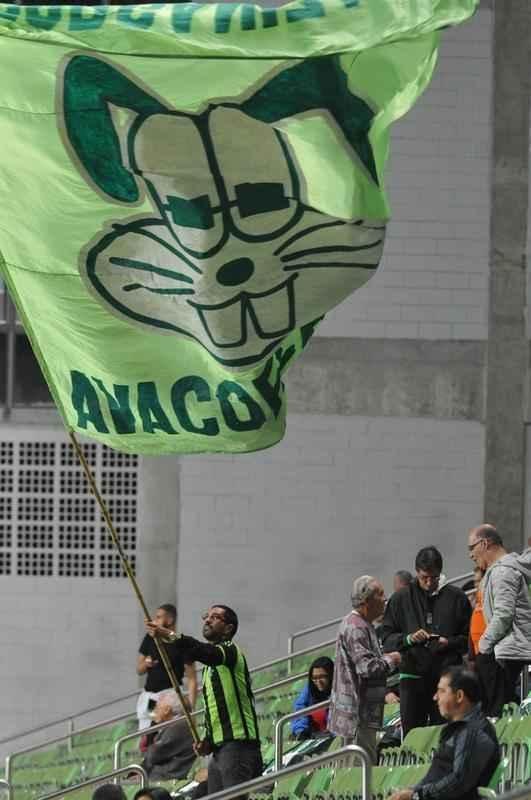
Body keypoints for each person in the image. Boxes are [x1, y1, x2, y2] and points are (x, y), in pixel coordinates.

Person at [146, 604, 262, 795]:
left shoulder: (229, 651)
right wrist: (208, 741)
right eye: (206, 616)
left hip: (237, 747)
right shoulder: (209, 668)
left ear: (228, 628)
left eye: (215, 617)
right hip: (219, 750)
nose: (207, 620)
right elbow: (217, 710)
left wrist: (169, 634)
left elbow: (203, 651)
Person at [380, 546, 471, 736]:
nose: (429, 583)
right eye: (424, 578)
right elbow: (386, 638)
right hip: (412, 678)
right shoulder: (400, 599)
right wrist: (408, 639)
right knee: (412, 737)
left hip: (445, 680)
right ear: (416, 572)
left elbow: (468, 639)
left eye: (434, 578)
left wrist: (449, 643)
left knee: (446, 735)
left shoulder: (457, 598)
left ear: (441, 572)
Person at [389, 666, 500, 800]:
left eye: (442, 691)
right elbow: (436, 776)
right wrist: (412, 792)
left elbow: (458, 782)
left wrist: (417, 795)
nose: (435, 697)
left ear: (459, 696)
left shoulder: (474, 732)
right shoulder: (458, 730)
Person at [328, 575, 401, 764]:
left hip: (362, 714)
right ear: (366, 601)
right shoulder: (356, 627)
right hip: (358, 716)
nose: (385, 598)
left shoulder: (362, 624)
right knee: (359, 770)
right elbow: (367, 668)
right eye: (380, 594)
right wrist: (392, 659)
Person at [468, 524, 531, 715]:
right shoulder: (500, 571)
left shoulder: (503, 572)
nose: (470, 555)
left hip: (508, 654)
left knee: (498, 714)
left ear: (485, 543)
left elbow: (503, 615)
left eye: (471, 548)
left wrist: (484, 646)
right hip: (506, 651)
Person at [137, 603, 198, 730]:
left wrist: (191, 709)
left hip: (170, 695)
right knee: (148, 731)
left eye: (159, 617)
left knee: (165, 730)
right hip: (151, 695)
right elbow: (139, 670)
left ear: (170, 620)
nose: (155, 620)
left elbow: (192, 679)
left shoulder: (181, 643)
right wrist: (146, 664)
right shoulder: (150, 638)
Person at [141, 690, 196, 781]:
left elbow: (152, 756)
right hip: (165, 773)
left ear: (167, 710)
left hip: (168, 776)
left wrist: (152, 732)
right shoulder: (178, 724)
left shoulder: (177, 728)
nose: (154, 711)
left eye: (157, 707)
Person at [291, 656, 334, 739]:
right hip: (315, 737)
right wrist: (302, 731)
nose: (318, 682)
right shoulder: (309, 689)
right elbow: (300, 708)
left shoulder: (341, 691)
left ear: (331, 675)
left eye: (322, 677)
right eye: (314, 678)